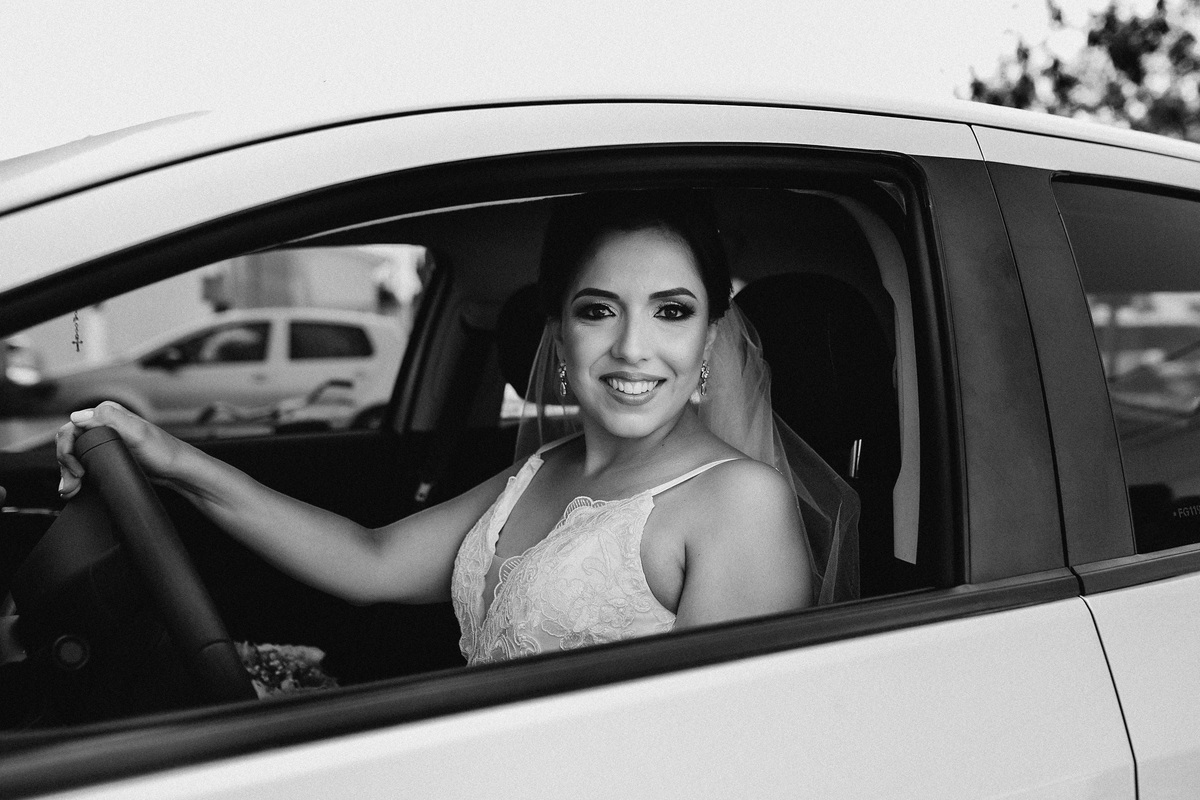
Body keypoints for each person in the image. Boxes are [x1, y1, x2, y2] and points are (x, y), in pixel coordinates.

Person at [56, 190, 855, 667]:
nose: (633, 348)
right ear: (560, 335)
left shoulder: (739, 504)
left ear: (710, 340)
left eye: (671, 312)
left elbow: (712, 763)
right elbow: (368, 561)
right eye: (598, 310)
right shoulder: (544, 467)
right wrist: (170, 460)